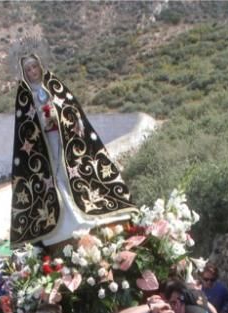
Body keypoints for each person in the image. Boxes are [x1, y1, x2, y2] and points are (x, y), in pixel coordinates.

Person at [10, 54, 136, 246]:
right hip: (43, 146)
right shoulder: (24, 96)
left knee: (70, 171)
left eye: (35, 67)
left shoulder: (54, 86)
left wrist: (58, 117)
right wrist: (42, 123)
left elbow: (72, 110)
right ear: (24, 74)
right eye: (28, 70)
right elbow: (24, 127)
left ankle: (87, 205)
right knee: (55, 176)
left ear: (40, 66)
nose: (33, 72)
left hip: (65, 140)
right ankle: (66, 217)